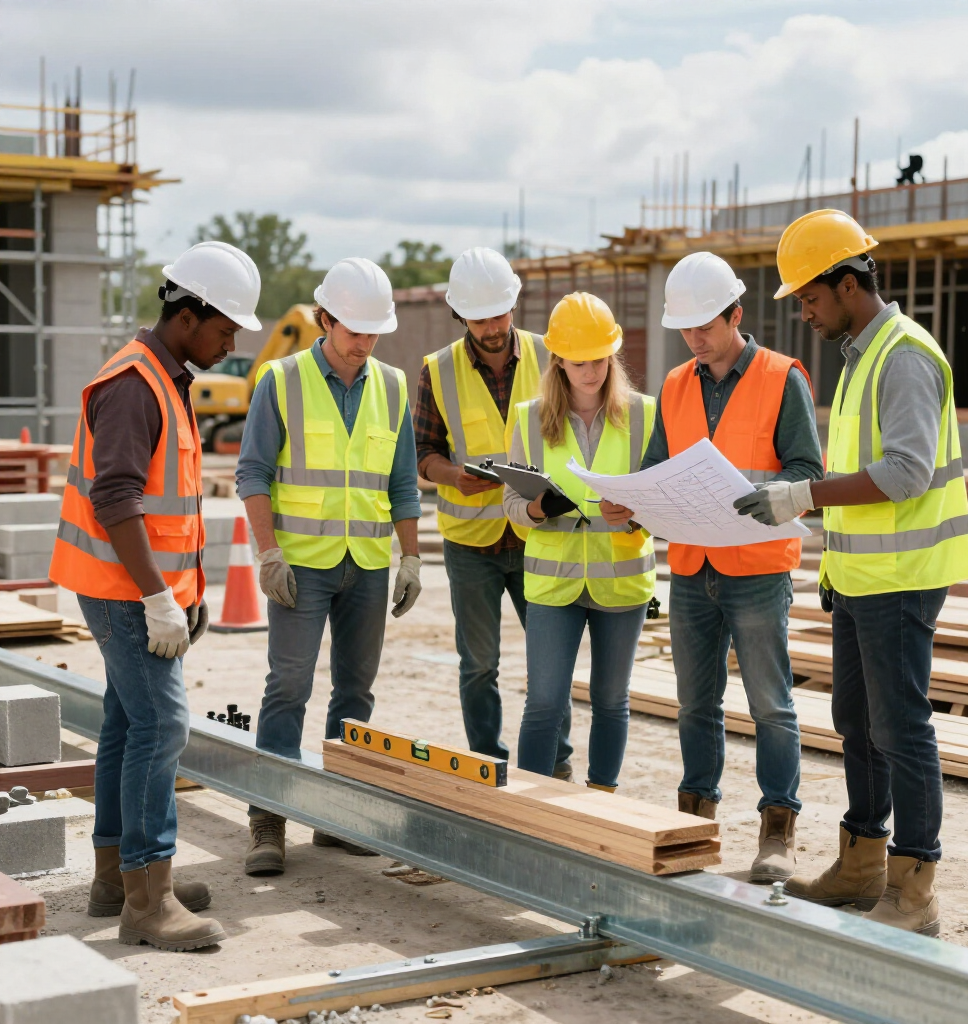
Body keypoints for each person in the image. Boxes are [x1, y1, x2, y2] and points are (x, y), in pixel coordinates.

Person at [734, 209, 968, 935]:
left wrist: (801, 496)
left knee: (900, 726)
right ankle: (863, 861)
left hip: (903, 577)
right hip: (863, 576)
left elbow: (904, 473)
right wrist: (833, 563)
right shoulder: (861, 356)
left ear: (847, 284)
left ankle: (915, 886)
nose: (804, 312)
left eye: (809, 297)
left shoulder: (903, 356)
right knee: (857, 722)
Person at [50, 240, 262, 950]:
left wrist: (184, 593)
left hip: (136, 589)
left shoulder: (164, 378)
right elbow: (116, 498)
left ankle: (118, 879)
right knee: (163, 727)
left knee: (127, 724)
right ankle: (149, 899)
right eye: (225, 329)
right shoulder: (135, 385)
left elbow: (170, 505)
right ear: (187, 315)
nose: (230, 344)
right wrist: (157, 598)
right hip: (125, 591)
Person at [604, 252, 822, 883]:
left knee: (770, 704)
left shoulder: (783, 378)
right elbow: (658, 468)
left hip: (757, 568)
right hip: (692, 567)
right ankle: (694, 821)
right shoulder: (675, 385)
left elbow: (808, 472)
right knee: (695, 703)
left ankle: (777, 829)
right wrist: (633, 502)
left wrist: (756, 495)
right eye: (685, 329)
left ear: (736, 315)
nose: (694, 338)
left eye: (704, 326)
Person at [236, 257, 421, 876]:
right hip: (301, 566)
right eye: (354, 330)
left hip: (366, 564)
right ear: (324, 320)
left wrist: (412, 557)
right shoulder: (281, 379)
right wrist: (268, 553)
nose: (364, 342)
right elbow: (253, 474)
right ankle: (268, 818)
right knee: (289, 686)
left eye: (374, 332)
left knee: (356, 692)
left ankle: (338, 816)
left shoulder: (392, 386)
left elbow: (402, 483)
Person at [416, 247, 572, 774]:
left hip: (541, 534)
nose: (493, 328)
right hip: (471, 543)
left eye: (500, 314)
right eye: (480, 319)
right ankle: (489, 765)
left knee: (550, 663)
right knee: (479, 665)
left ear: (514, 304)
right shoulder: (437, 370)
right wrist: (450, 475)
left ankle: (556, 765)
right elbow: (423, 451)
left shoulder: (552, 356)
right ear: (459, 315)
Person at [504, 292, 656, 790]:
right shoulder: (529, 418)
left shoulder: (645, 415)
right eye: (579, 363)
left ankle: (602, 797)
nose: (591, 372)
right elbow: (510, 502)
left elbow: (664, 503)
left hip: (622, 582)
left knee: (611, 700)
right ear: (558, 362)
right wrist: (535, 509)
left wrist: (634, 515)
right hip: (554, 586)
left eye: (599, 360)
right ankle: (529, 806)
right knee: (544, 701)